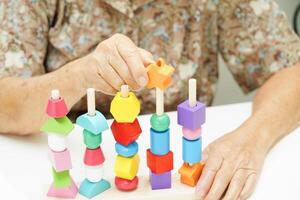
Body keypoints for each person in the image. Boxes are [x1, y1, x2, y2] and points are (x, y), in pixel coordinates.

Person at [0, 0, 299, 199]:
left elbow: (292, 70)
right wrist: (78, 75)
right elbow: (4, 102)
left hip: (176, 178)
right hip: (78, 167)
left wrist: (251, 139)